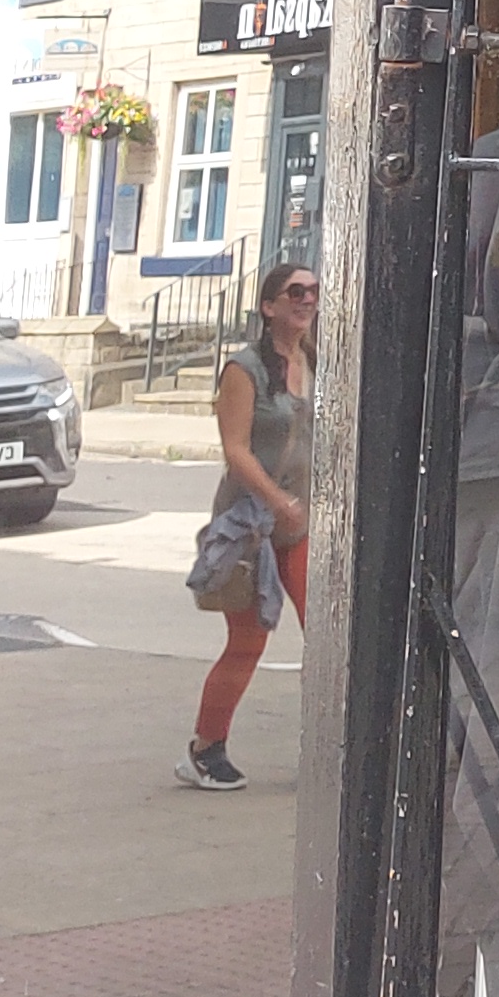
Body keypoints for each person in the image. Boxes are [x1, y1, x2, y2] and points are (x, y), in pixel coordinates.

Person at [183, 257, 317, 793]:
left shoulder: (315, 360)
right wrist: (278, 499)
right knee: (248, 641)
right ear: (268, 306)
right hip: (249, 526)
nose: (307, 300)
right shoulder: (244, 369)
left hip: (301, 525)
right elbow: (235, 449)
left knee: (329, 637)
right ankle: (205, 749)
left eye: (313, 292)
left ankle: (340, 746)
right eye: (295, 293)